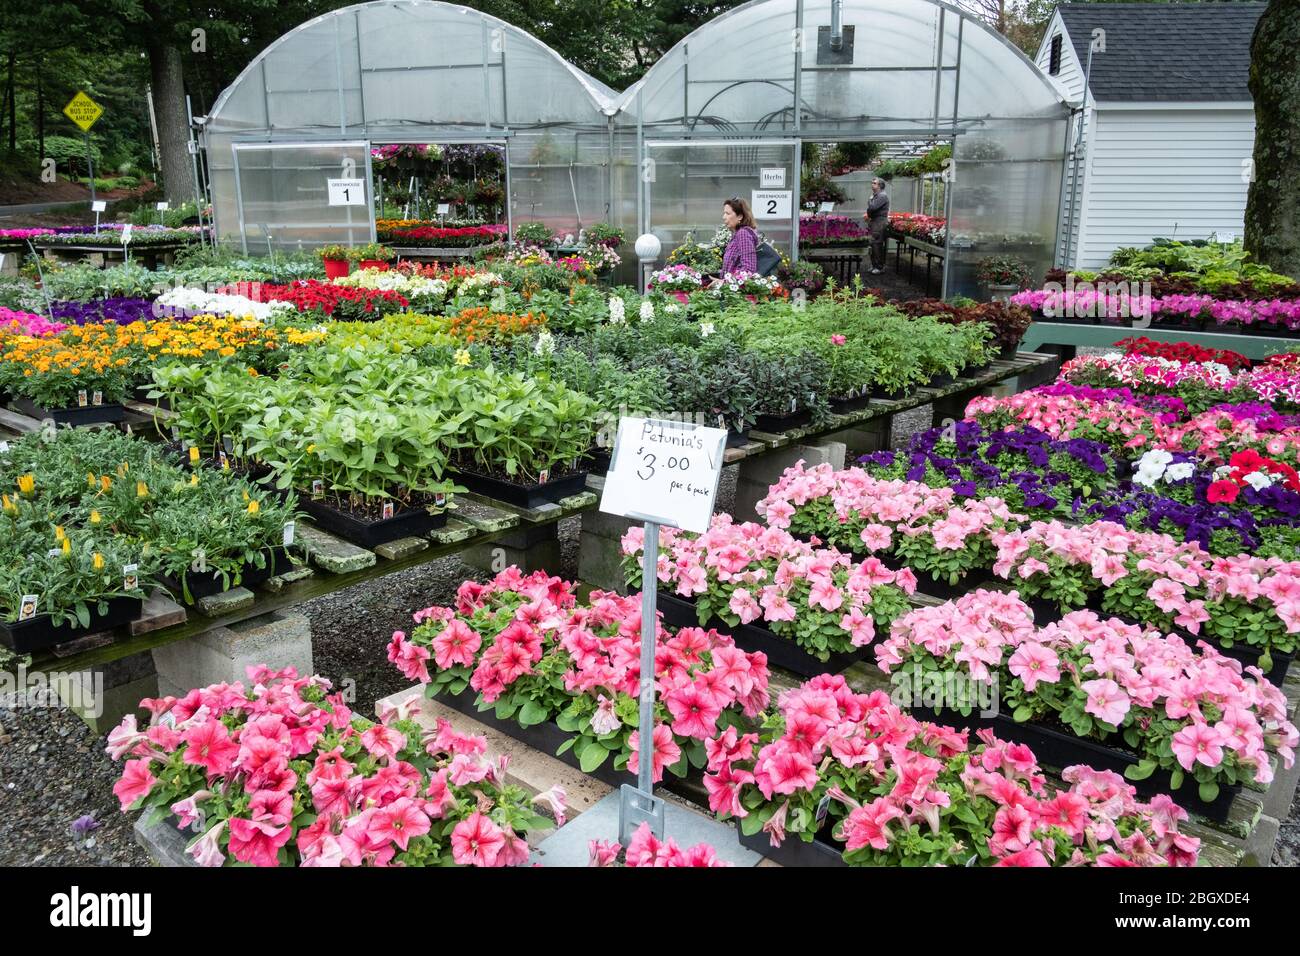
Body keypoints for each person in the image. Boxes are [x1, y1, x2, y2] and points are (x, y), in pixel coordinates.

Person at [708, 197, 759, 287]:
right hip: (731, 291)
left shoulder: (743, 234)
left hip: (738, 295)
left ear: (740, 216)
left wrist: (724, 282)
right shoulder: (737, 234)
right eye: (724, 213)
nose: (724, 217)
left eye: (727, 213)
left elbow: (748, 270)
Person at [862, 177, 890, 274]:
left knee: (877, 244)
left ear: (880, 186)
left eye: (874, 183)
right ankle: (874, 265)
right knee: (873, 244)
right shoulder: (876, 195)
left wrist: (870, 201)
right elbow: (871, 209)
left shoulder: (882, 196)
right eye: (872, 183)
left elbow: (872, 208)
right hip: (875, 221)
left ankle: (879, 267)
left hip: (879, 223)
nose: (872, 185)